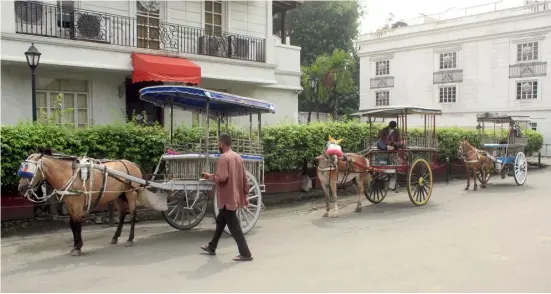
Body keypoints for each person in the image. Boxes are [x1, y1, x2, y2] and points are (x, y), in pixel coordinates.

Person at [200, 133, 253, 262]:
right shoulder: (238, 157)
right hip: (233, 198)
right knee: (220, 222)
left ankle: (246, 254)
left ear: (222, 144)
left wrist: (209, 176)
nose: (218, 145)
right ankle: (212, 246)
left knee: (234, 226)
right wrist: (246, 195)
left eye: (218, 142)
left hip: (226, 199)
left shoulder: (224, 158)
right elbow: (245, 179)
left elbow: (221, 177)